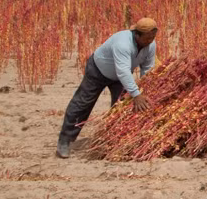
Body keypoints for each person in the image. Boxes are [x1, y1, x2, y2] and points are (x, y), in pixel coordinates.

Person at [56, 17, 158, 158]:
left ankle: (113, 140)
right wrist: (136, 94)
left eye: (152, 38)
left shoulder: (151, 45)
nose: (149, 41)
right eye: (147, 38)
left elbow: (147, 67)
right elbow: (122, 70)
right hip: (98, 70)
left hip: (120, 77)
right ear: (137, 34)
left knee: (121, 107)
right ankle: (65, 141)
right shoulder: (123, 43)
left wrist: (146, 86)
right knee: (83, 103)